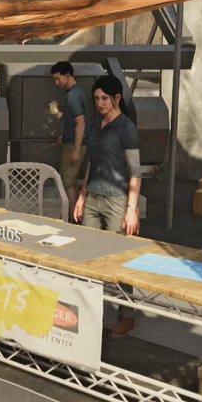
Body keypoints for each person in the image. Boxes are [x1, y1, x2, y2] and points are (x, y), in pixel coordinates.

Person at [72, 74, 143, 337]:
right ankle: (91, 311)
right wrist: (82, 196)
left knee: (118, 260)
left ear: (117, 98)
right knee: (89, 256)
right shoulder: (95, 125)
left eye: (105, 98)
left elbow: (135, 171)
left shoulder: (127, 128)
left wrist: (131, 209)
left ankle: (127, 315)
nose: (100, 103)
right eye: (96, 99)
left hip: (117, 201)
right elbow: (92, 163)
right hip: (93, 198)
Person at [52, 61, 89, 222]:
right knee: (70, 179)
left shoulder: (72, 96)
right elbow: (73, 120)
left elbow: (81, 123)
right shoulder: (76, 92)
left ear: (68, 75)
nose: (57, 83)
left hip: (74, 145)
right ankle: (75, 215)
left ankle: (74, 216)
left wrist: (76, 149)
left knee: (67, 180)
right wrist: (64, 136)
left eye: (58, 79)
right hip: (72, 142)